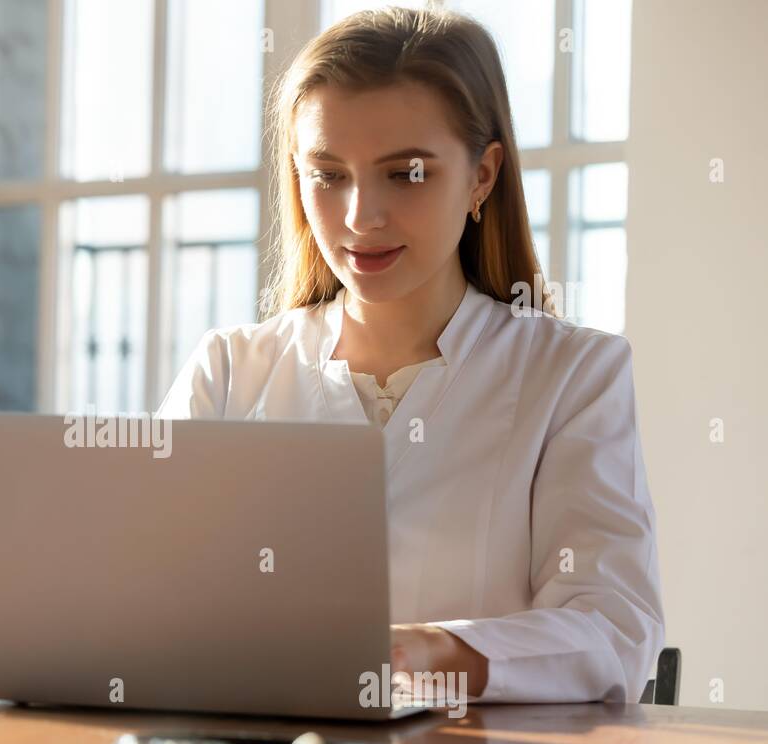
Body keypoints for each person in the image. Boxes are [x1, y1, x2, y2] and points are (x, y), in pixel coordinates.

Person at [156, 6, 664, 704]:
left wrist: (439, 650)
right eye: (328, 175)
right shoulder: (227, 372)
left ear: (482, 176)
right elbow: (144, 600)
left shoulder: (574, 376)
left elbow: (615, 630)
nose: (361, 216)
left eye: (407, 174)